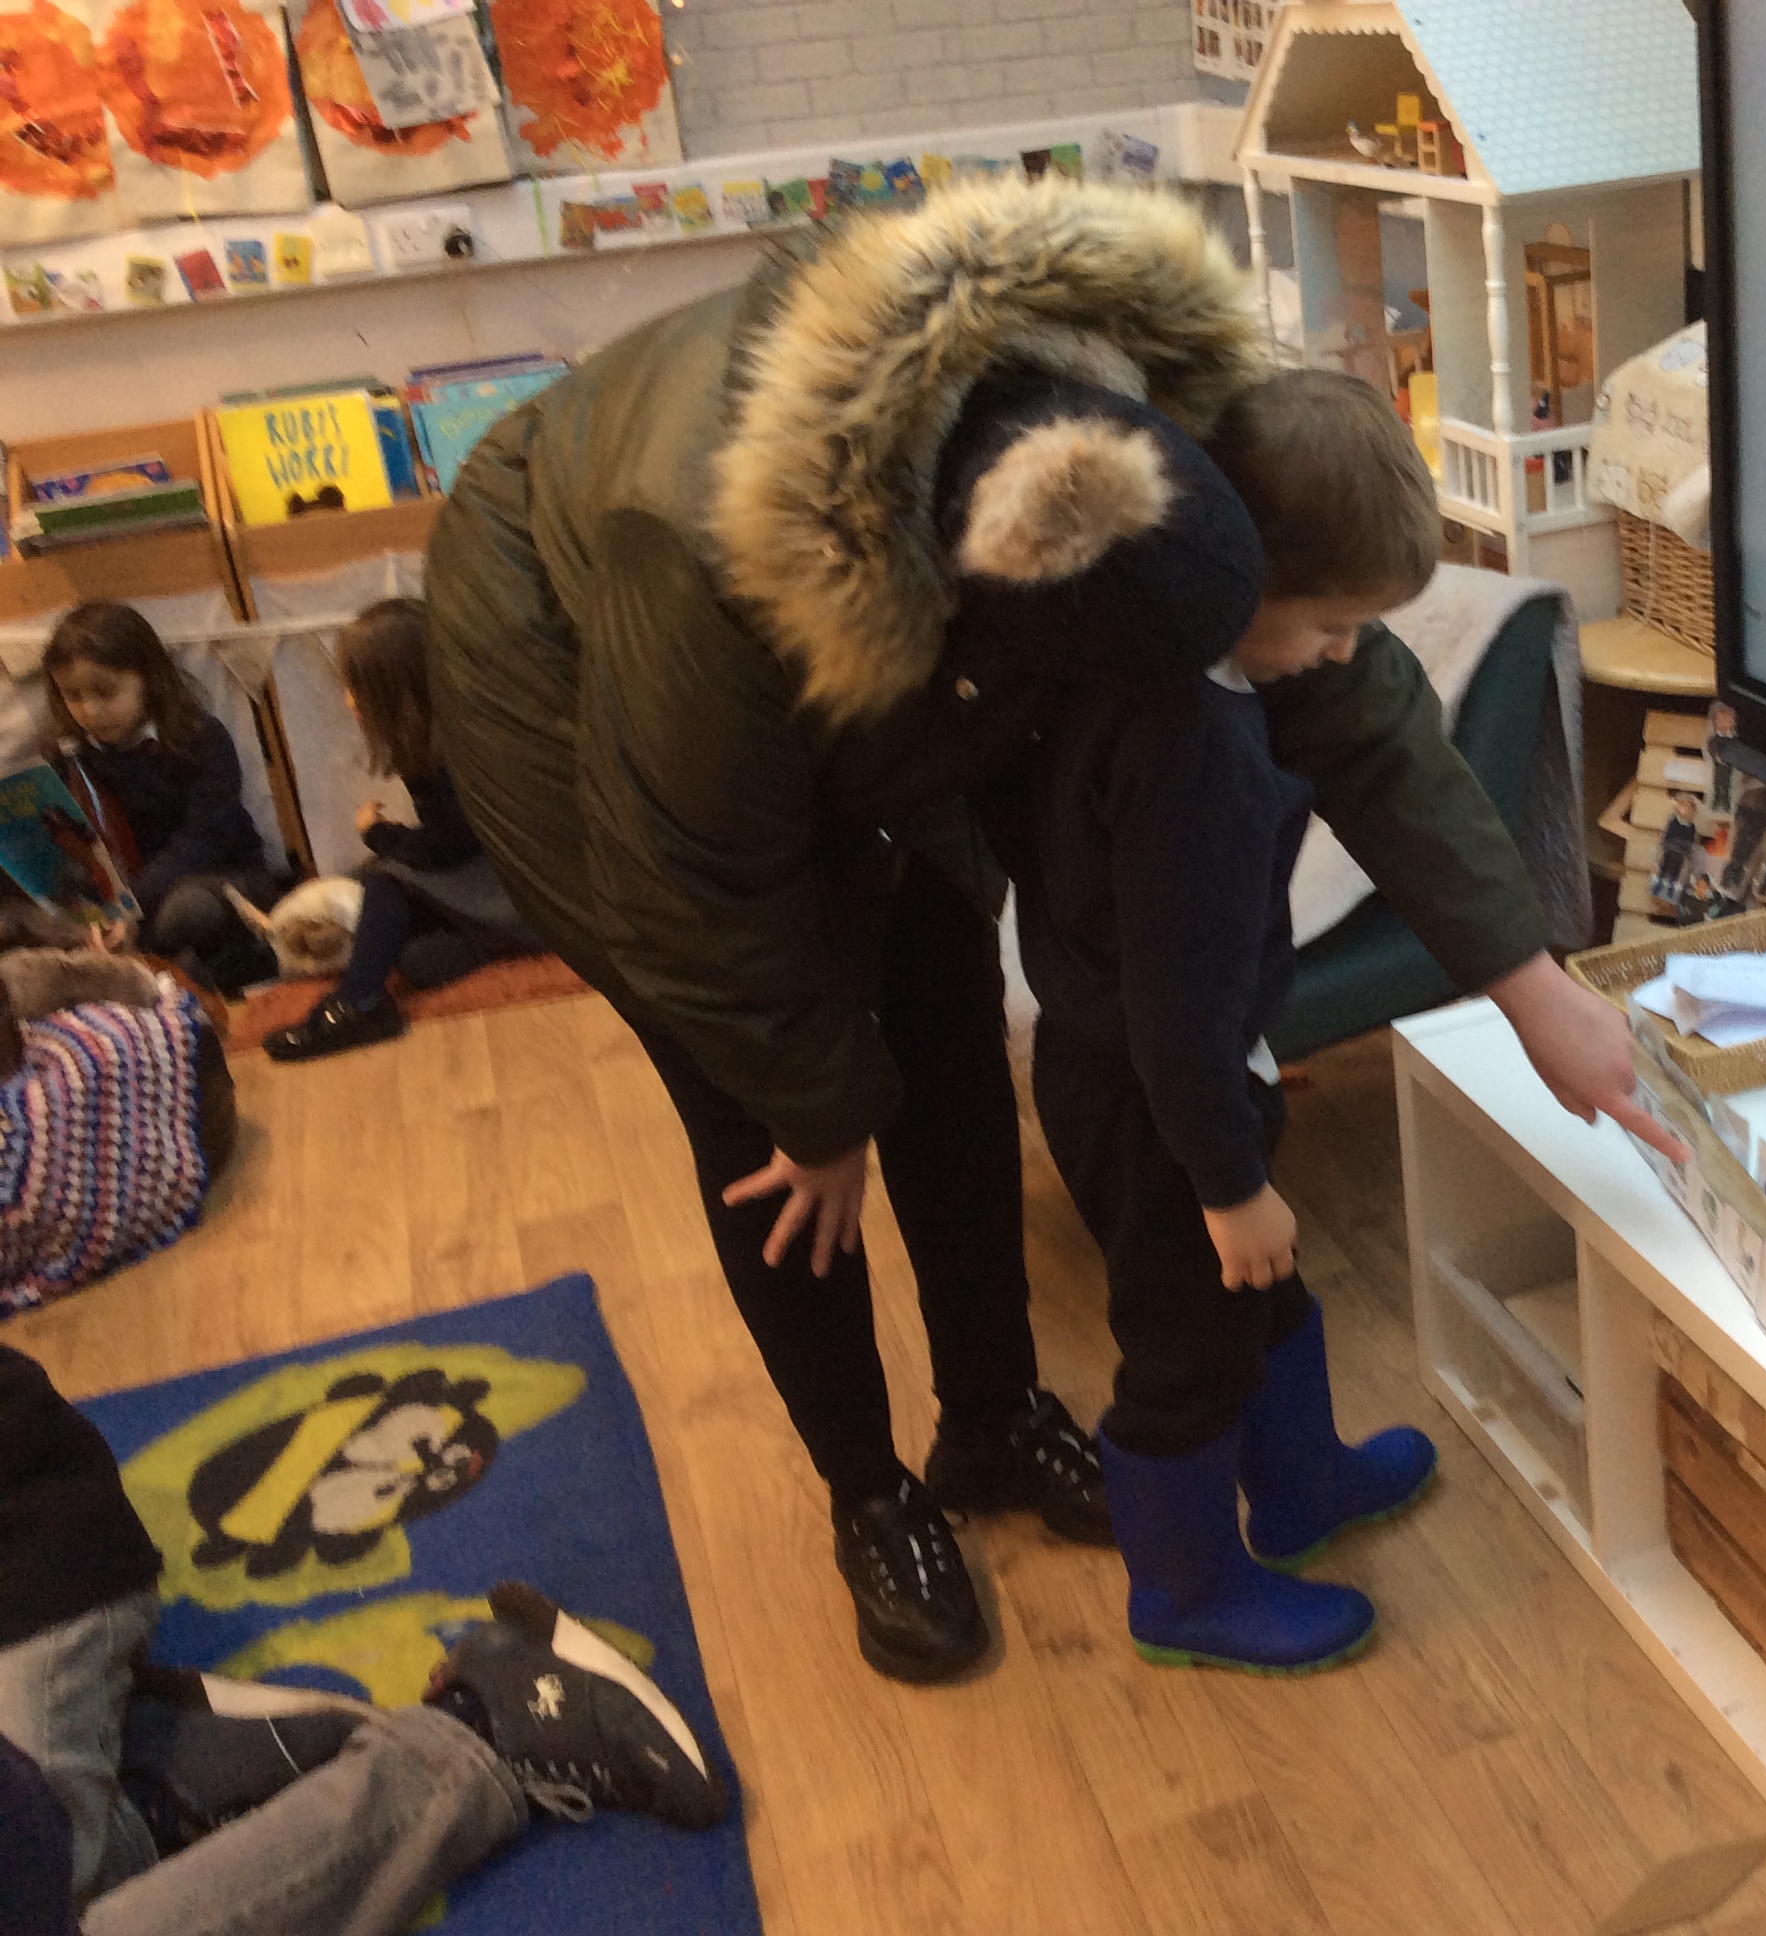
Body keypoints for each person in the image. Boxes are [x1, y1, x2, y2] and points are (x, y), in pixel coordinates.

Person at [423, 174, 1684, 1686]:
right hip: (580, 681)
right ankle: (869, 1491)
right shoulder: (695, 562)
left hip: (879, 652)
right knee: (776, 1142)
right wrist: (814, 1103)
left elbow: (1343, 701)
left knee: (944, 1018)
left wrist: (1532, 986)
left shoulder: (1175, 445)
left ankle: (994, 1418)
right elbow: (696, 889)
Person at [1011, 371, 1447, 1674]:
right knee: (1185, 1350)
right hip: (1161, 1104)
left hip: (1154, 1075)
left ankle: (1302, 1484)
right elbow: (1176, 1012)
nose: (1342, 654)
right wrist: (1229, 1181)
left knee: (1260, 1294)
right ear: (1236, 578)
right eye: (1329, 623)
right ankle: (1186, 1591)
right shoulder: (1192, 752)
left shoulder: (1133, 661)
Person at [0, 1343, 727, 1936]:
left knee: (43, 1886)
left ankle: (483, 1726)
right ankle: (154, 1786)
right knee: (52, 1876)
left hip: (27, 1560)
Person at [262, 599, 539, 1064]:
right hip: (505, 893)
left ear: (399, 691)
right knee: (411, 954)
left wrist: (379, 833)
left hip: (525, 898)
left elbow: (446, 849)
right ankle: (477, 946)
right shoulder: (440, 738)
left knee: (385, 879)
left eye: (357, 689)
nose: (349, 701)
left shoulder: (458, 753)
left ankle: (359, 1004)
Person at [41, 605, 280, 994]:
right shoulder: (69, 757)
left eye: (105, 692)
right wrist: (94, 915)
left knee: (185, 912)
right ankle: (151, 966)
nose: (90, 711)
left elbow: (206, 838)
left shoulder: (199, 738)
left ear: (148, 679)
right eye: (73, 696)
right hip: (124, 900)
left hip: (215, 880)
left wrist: (132, 909)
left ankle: (182, 968)